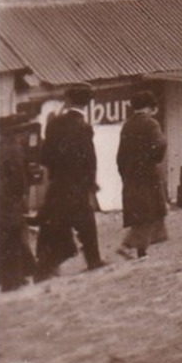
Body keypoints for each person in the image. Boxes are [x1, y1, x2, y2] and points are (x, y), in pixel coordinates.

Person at [34, 84, 104, 279]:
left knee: (53, 226)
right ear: (88, 103)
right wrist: (90, 183)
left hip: (58, 185)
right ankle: (93, 260)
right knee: (86, 224)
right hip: (79, 186)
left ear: (68, 100)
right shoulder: (84, 127)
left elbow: (45, 157)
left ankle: (46, 268)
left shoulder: (54, 124)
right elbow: (90, 160)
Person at [115, 91, 169, 259]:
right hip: (148, 176)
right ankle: (128, 245)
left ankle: (142, 252)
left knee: (143, 214)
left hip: (131, 177)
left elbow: (120, 157)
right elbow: (159, 148)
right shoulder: (151, 124)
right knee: (150, 214)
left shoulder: (127, 125)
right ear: (151, 107)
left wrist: (126, 175)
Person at [0, 116, 35, 291]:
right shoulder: (13, 149)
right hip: (10, 200)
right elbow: (18, 178)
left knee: (8, 237)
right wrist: (21, 195)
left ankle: (14, 276)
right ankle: (12, 280)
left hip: (2, 199)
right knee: (13, 236)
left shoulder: (0, 148)